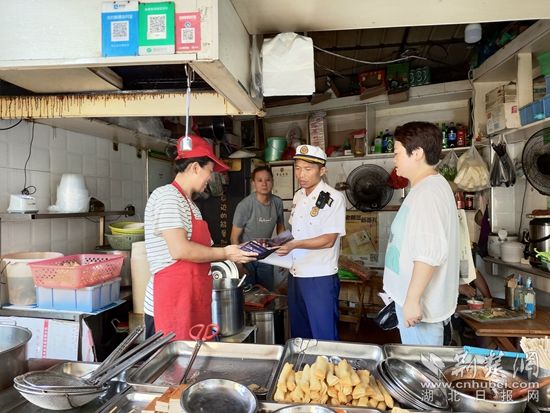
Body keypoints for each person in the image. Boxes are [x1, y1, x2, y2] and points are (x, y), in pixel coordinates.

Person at [143, 135, 257, 340]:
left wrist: (239, 250)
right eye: (210, 171)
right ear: (195, 167)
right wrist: (226, 253)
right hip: (169, 304)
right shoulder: (167, 196)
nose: (210, 178)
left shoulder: (191, 206)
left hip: (192, 302)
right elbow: (180, 250)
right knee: (171, 360)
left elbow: (204, 252)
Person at [383, 121, 460, 346]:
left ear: (417, 153)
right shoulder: (425, 188)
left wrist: (413, 300)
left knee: (421, 367)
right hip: (412, 303)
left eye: (397, 153)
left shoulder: (429, 193)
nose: (394, 159)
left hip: (421, 312)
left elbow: (429, 252)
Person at [275, 145, 346, 340]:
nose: (301, 174)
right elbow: (295, 232)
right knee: (300, 334)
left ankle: (327, 361)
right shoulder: (298, 195)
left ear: (322, 171)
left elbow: (328, 240)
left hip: (319, 277)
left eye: (308, 169)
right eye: (298, 168)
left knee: (324, 335)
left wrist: (293, 245)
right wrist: (273, 247)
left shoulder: (334, 198)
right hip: (296, 274)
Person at [230, 166, 285, 291]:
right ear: (253, 183)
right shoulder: (244, 205)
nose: (264, 184)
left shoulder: (277, 202)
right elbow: (234, 238)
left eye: (268, 180)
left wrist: (283, 257)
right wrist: (239, 265)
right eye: (259, 180)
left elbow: (281, 228)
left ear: (272, 181)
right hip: (246, 256)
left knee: (267, 293)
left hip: (266, 255)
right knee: (248, 295)